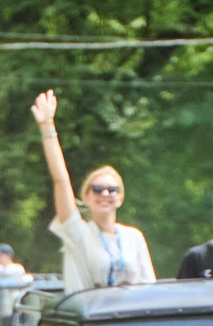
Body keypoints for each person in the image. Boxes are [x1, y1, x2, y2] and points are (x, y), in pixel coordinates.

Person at [30, 90, 154, 292]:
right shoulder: (78, 233)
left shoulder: (134, 237)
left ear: (120, 197)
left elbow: (149, 289)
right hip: (93, 320)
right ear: (86, 197)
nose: (105, 194)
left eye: (112, 189)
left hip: (128, 319)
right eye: (97, 189)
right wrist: (47, 126)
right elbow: (61, 181)